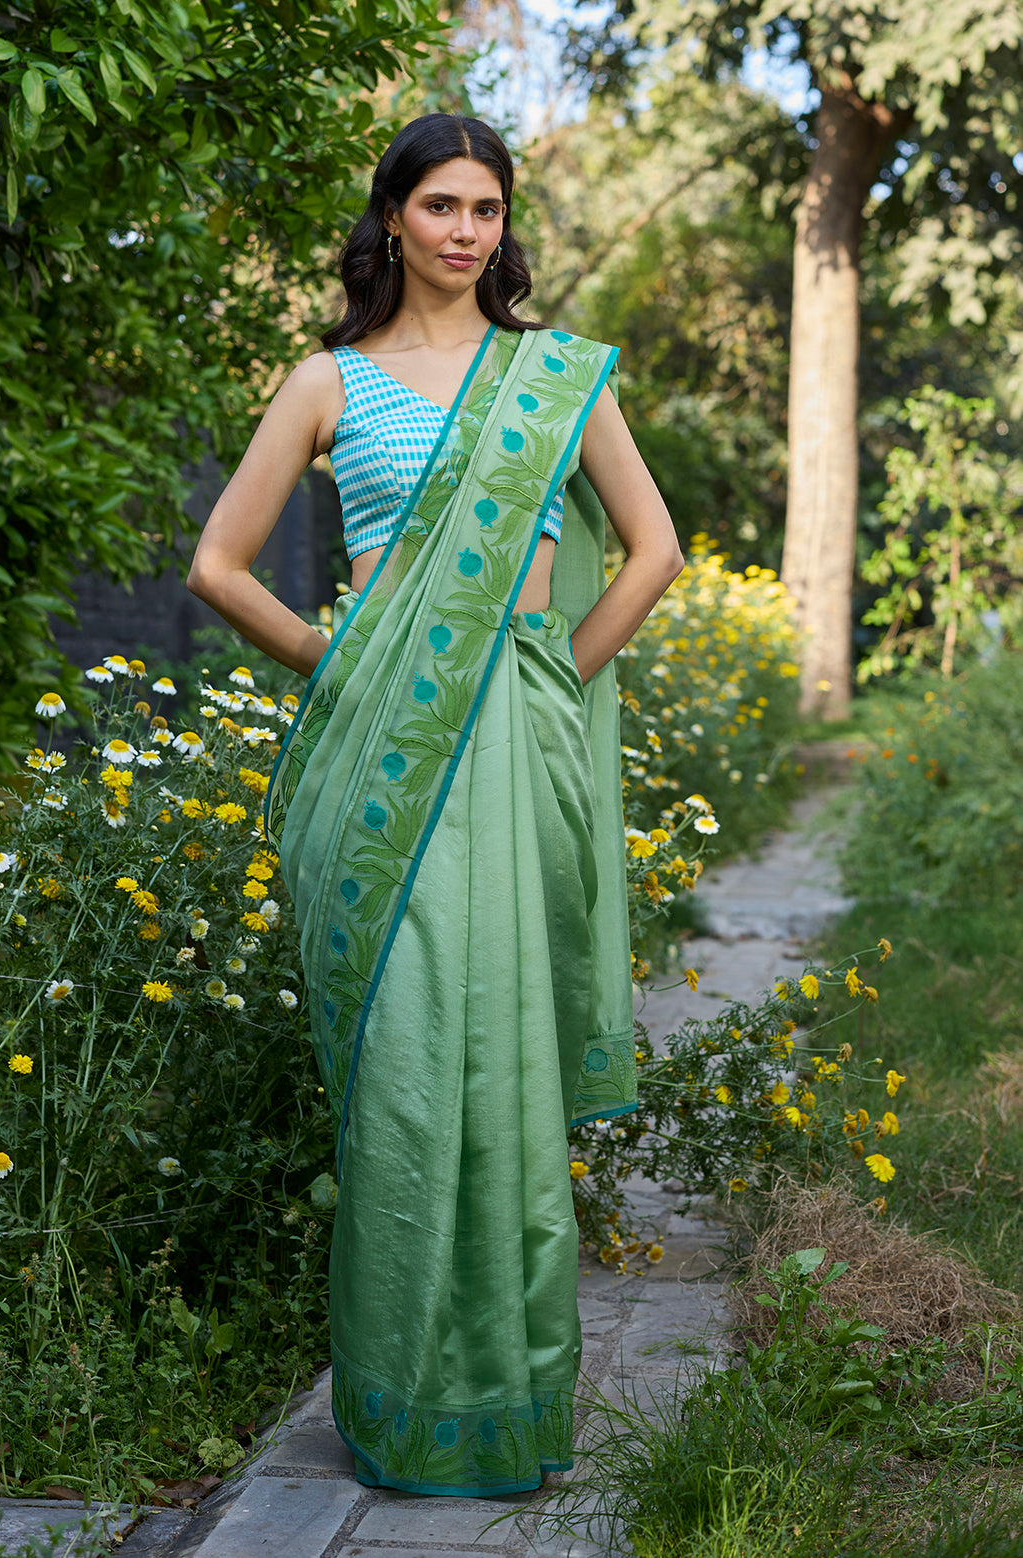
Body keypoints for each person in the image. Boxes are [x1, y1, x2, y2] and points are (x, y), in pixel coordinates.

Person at [187, 112, 683, 1498]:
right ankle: (399, 1396)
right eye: (442, 206)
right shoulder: (329, 381)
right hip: (381, 752)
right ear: (393, 218)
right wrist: (335, 661)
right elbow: (220, 566)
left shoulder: (554, 378)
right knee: (404, 1071)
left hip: (511, 745)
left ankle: (508, 1400)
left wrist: (550, 672)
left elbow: (655, 550)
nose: (467, 231)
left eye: (488, 208)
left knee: (505, 1059)